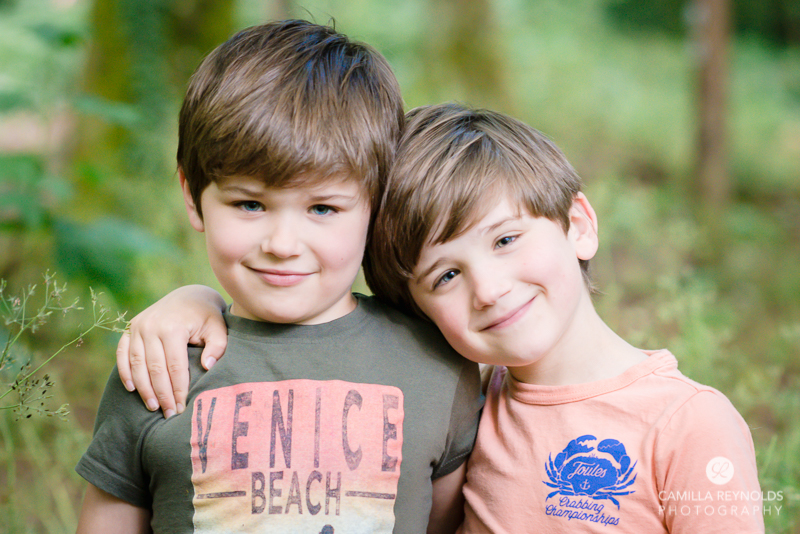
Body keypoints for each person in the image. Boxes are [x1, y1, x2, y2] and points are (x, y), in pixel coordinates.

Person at [118, 102, 765, 533]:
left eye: (507, 240)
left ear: (579, 226)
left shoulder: (688, 425)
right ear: (414, 306)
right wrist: (198, 299)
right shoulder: (453, 400)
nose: (488, 288)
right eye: (445, 276)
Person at [75, 22, 482, 534]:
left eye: (323, 208)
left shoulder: (436, 364)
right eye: (250, 203)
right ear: (192, 194)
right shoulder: (161, 367)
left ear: (377, 204)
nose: (283, 244)